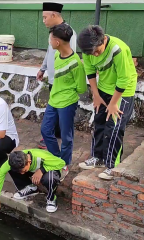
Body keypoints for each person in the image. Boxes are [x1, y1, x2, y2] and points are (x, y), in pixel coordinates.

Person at [77, 25, 137, 180]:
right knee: (99, 122)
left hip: (123, 91)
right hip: (104, 87)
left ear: (103, 39)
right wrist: (96, 95)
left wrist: (113, 103)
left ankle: (112, 165)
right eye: (91, 53)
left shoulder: (118, 49)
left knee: (114, 127)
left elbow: (124, 79)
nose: (95, 55)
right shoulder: (89, 49)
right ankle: (97, 157)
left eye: (97, 51)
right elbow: (89, 71)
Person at [40, 24, 87, 181]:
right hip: (53, 101)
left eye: (51, 39)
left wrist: (67, 89)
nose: (49, 41)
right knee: (46, 130)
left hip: (67, 103)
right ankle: (57, 160)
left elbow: (81, 88)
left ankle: (64, 164)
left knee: (67, 137)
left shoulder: (76, 63)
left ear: (57, 42)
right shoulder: (56, 56)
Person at [37, 2, 77, 150]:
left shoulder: (69, 33)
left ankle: (61, 140)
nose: (43, 21)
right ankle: (53, 134)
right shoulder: (53, 33)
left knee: (62, 109)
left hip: (64, 80)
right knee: (55, 107)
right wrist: (43, 68)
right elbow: (49, 52)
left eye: (45, 17)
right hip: (54, 79)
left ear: (54, 15)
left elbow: (71, 57)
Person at [0, 150, 66, 214]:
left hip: (50, 170)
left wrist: (42, 170)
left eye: (24, 171)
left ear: (29, 162)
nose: (22, 174)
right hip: (33, 171)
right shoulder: (13, 161)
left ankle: (52, 198)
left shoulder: (41, 156)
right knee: (11, 169)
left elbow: (61, 163)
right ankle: (31, 188)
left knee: (49, 178)